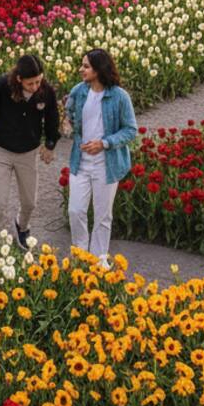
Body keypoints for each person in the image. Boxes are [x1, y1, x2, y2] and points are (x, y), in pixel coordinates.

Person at [0, 53, 59, 249]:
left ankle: (22, 226)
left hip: (28, 153)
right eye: (30, 83)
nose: (35, 87)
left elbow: (52, 118)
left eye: (38, 81)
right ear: (19, 79)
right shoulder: (1, 86)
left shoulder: (46, 91)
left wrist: (50, 144)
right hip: (1, 150)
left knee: (30, 203)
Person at [64, 49, 137, 267]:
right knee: (75, 210)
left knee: (103, 216)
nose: (81, 69)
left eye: (86, 66)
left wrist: (104, 143)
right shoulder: (78, 91)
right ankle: (80, 254)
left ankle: (98, 259)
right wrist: (67, 124)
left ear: (98, 69)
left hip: (107, 165)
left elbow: (130, 130)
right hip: (81, 163)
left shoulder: (119, 96)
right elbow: (68, 117)